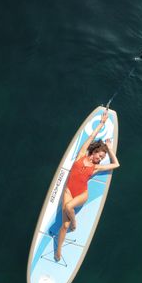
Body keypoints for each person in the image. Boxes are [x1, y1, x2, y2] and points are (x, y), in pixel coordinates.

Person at [55, 110, 120, 261]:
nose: (100, 159)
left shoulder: (96, 167)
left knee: (68, 207)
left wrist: (110, 150)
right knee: (64, 226)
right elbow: (91, 137)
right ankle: (59, 250)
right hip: (69, 192)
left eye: (102, 158)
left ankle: (74, 221)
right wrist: (101, 124)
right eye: (100, 155)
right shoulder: (81, 155)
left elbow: (116, 164)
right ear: (95, 151)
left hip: (82, 194)